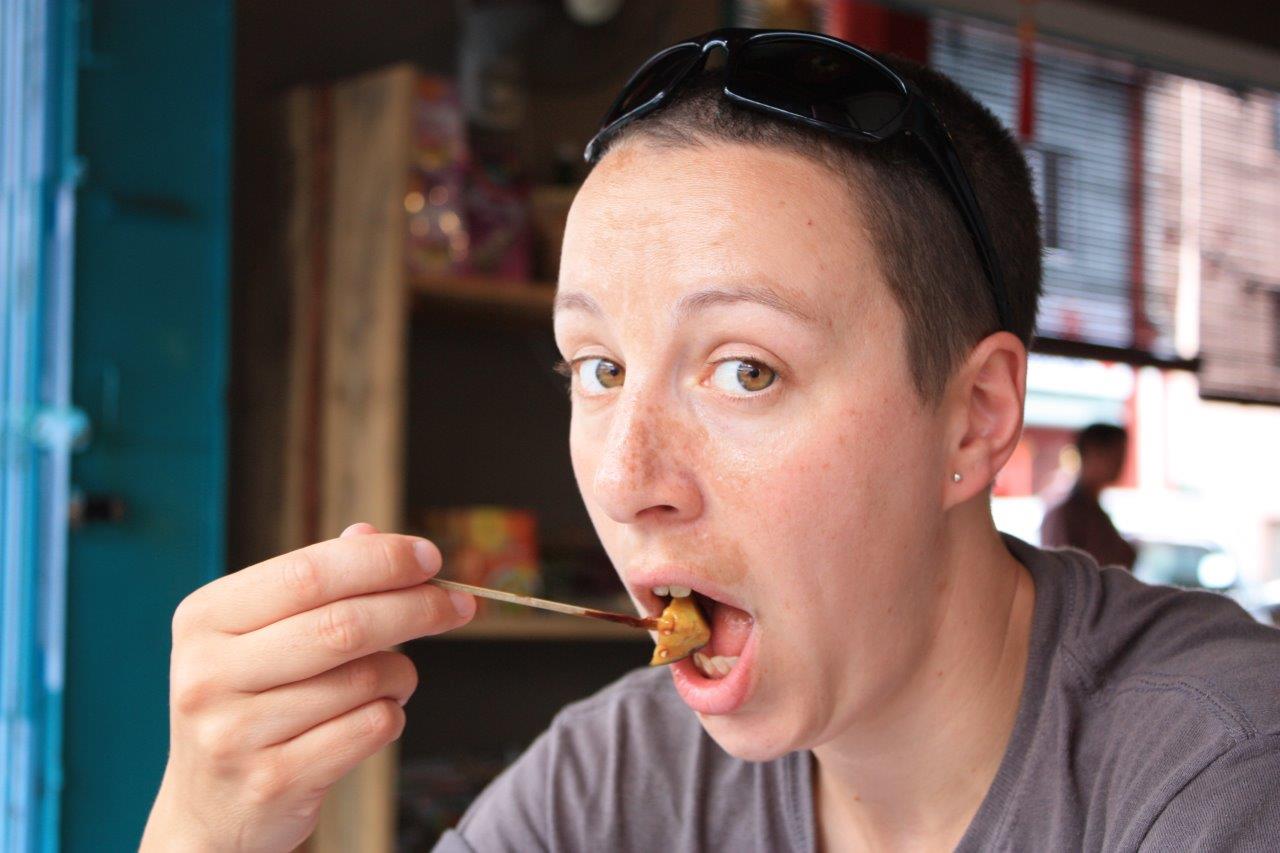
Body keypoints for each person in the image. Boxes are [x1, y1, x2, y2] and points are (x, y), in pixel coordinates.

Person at [141, 28, 1280, 852]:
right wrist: (208, 822)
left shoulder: (1218, 776)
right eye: (597, 369)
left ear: (975, 416)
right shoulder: (615, 779)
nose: (625, 480)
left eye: (746, 370)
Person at [1041, 423, 1139, 569]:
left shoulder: (1094, 512)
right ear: (1091, 453)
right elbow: (1060, 574)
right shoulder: (1067, 515)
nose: (1120, 463)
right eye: (1114, 454)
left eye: (1122, 455)